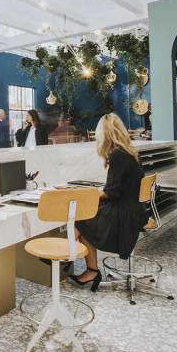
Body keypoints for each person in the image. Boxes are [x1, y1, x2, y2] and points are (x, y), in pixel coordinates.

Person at [71, 113, 146, 289]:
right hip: (135, 209)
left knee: (81, 220)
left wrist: (88, 193)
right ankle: (72, 259)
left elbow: (111, 192)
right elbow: (118, 188)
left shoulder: (118, 156)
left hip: (125, 214)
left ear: (105, 134)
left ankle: (69, 259)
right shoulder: (130, 153)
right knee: (85, 218)